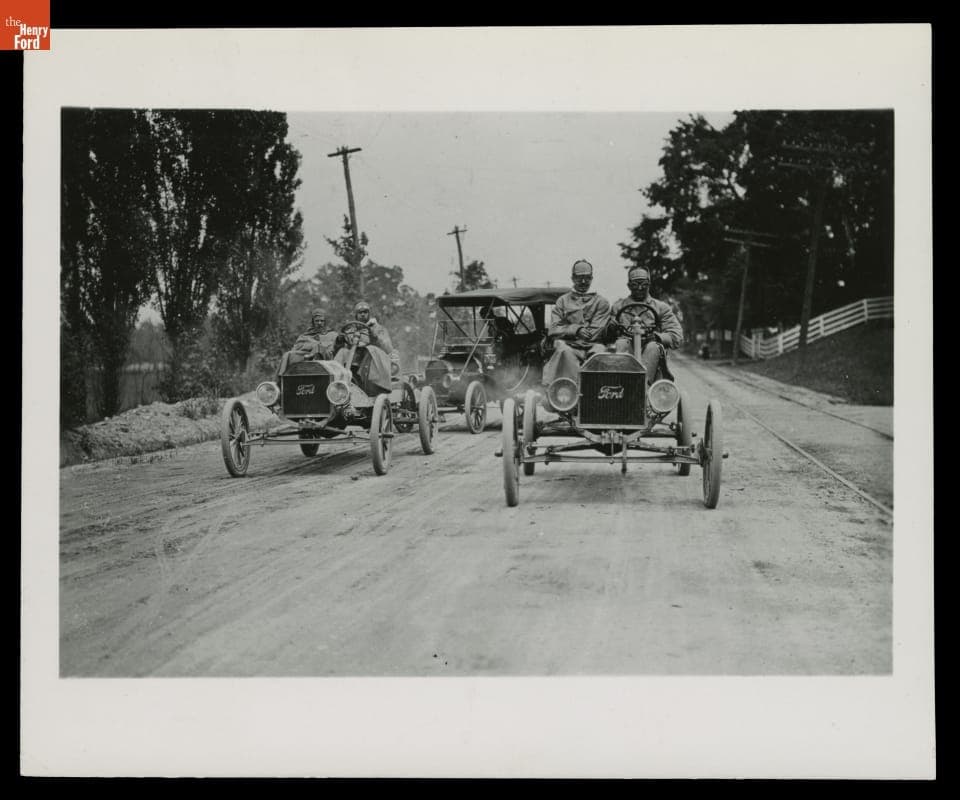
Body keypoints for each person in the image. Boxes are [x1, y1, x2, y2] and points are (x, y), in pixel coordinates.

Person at [541, 259, 611, 385]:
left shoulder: (602, 302)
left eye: (587, 278)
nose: (583, 281)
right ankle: (568, 391)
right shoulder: (562, 301)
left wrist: (567, 331)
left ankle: (598, 392)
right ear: (573, 278)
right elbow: (554, 328)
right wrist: (576, 330)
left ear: (592, 278)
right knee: (563, 350)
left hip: (593, 345)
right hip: (568, 345)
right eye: (579, 278)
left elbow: (595, 331)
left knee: (600, 353)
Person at [609, 266, 683, 384]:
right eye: (635, 284)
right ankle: (621, 385)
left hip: (650, 352)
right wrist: (611, 329)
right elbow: (607, 337)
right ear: (629, 285)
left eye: (644, 284)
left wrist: (658, 337)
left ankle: (642, 386)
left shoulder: (661, 307)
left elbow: (676, 335)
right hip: (626, 350)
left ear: (649, 284)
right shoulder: (618, 307)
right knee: (621, 343)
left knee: (653, 347)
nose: (639, 288)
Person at [334, 300, 398, 395]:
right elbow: (343, 347)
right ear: (356, 315)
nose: (363, 314)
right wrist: (339, 341)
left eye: (365, 312)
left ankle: (367, 385)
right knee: (342, 351)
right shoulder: (350, 329)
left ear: (369, 314)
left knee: (369, 350)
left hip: (375, 361)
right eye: (360, 312)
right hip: (354, 358)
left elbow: (388, 348)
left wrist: (374, 335)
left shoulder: (379, 328)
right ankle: (335, 381)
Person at [276, 308, 338, 378]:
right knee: (287, 354)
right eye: (317, 321)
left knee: (318, 348)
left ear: (325, 322)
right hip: (306, 358)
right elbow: (296, 347)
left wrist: (320, 347)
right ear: (313, 322)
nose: (319, 323)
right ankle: (281, 380)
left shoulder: (333, 335)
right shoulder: (305, 335)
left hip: (326, 362)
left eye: (322, 321)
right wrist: (311, 344)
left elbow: (336, 349)